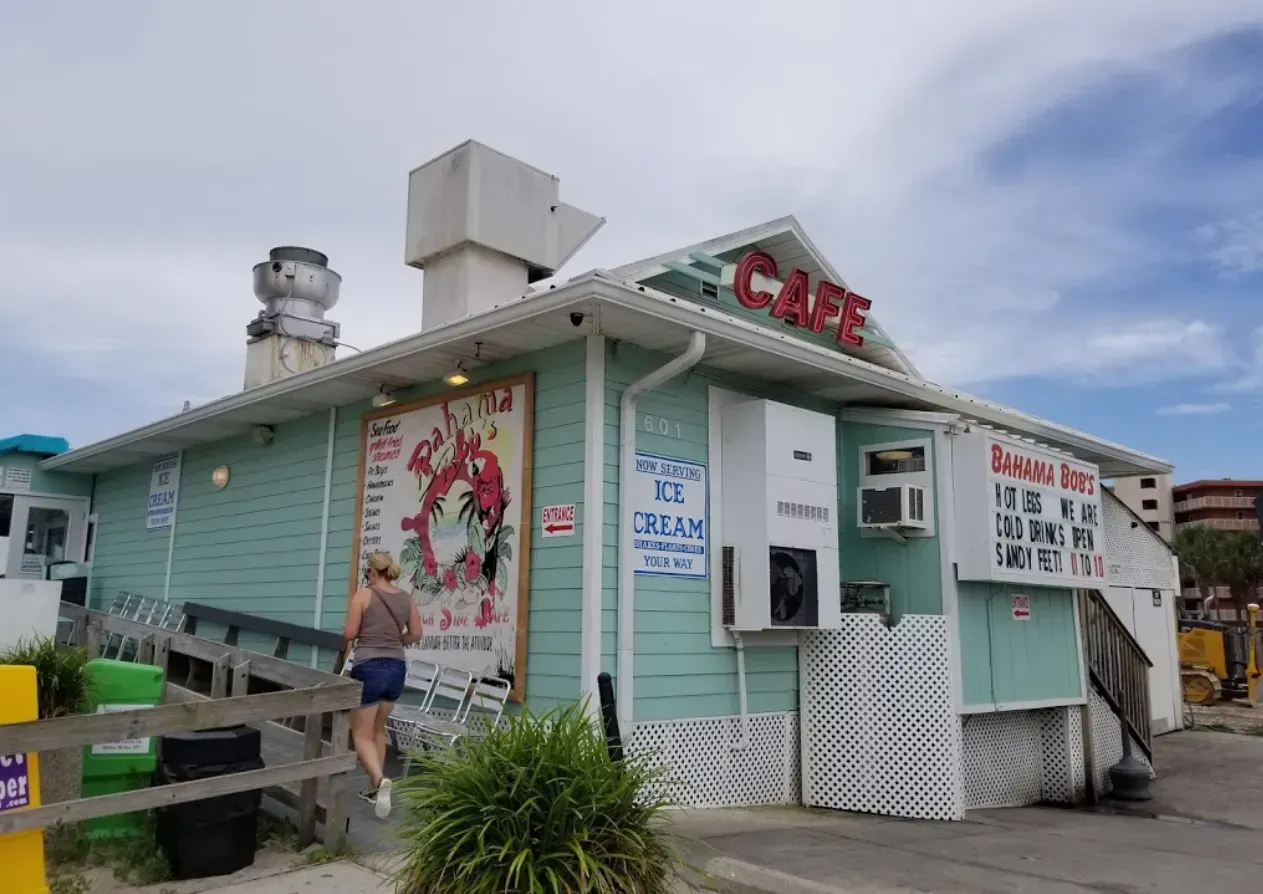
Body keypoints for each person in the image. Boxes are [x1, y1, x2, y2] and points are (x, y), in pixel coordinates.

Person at [342, 550, 421, 819]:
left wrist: (354, 628)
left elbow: (350, 634)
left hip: (369, 667)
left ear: (373, 572)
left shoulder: (364, 595)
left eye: (367, 573)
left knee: (361, 735)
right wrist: (398, 640)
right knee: (378, 729)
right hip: (397, 668)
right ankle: (374, 790)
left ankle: (379, 780)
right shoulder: (406, 599)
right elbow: (416, 634)